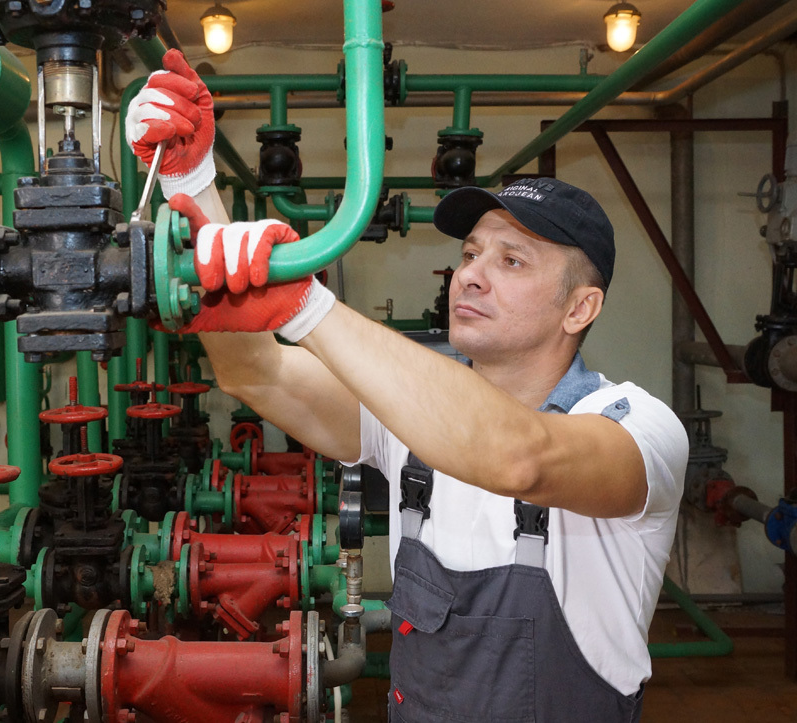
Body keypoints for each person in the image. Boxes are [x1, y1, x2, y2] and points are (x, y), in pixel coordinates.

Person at [127, 50, 688, 722]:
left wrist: (309, 305)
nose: (472, 275)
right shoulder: (410, 422)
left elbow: (521, 455)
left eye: (512, 260)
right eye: (471, 254)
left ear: (580, 308)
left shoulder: (640, 429)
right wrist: (193, 186)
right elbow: (259, 370)